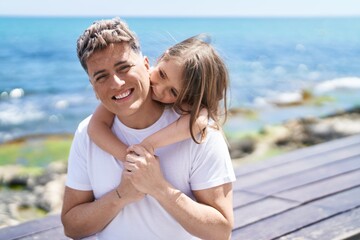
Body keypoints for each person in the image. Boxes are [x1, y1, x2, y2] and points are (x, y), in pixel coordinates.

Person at [61, 17, 236, 240]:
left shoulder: (199, 132)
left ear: (145, 65)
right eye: (101, 76)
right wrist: (121, 194)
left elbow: (221, 232)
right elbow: (72, 228)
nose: (116, 83)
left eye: (124, 67)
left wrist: (158, 187)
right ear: (94, 88)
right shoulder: (88, 131)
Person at [87, 34, 227, 161]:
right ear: (163, 57)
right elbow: (95, 127)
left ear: (187, 98)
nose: (159, 89)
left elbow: (199, 121)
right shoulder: (133, 86)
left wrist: (150, 144)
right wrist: (128, 156)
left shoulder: (185, 106)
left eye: (173, 92)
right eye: (162, 74)